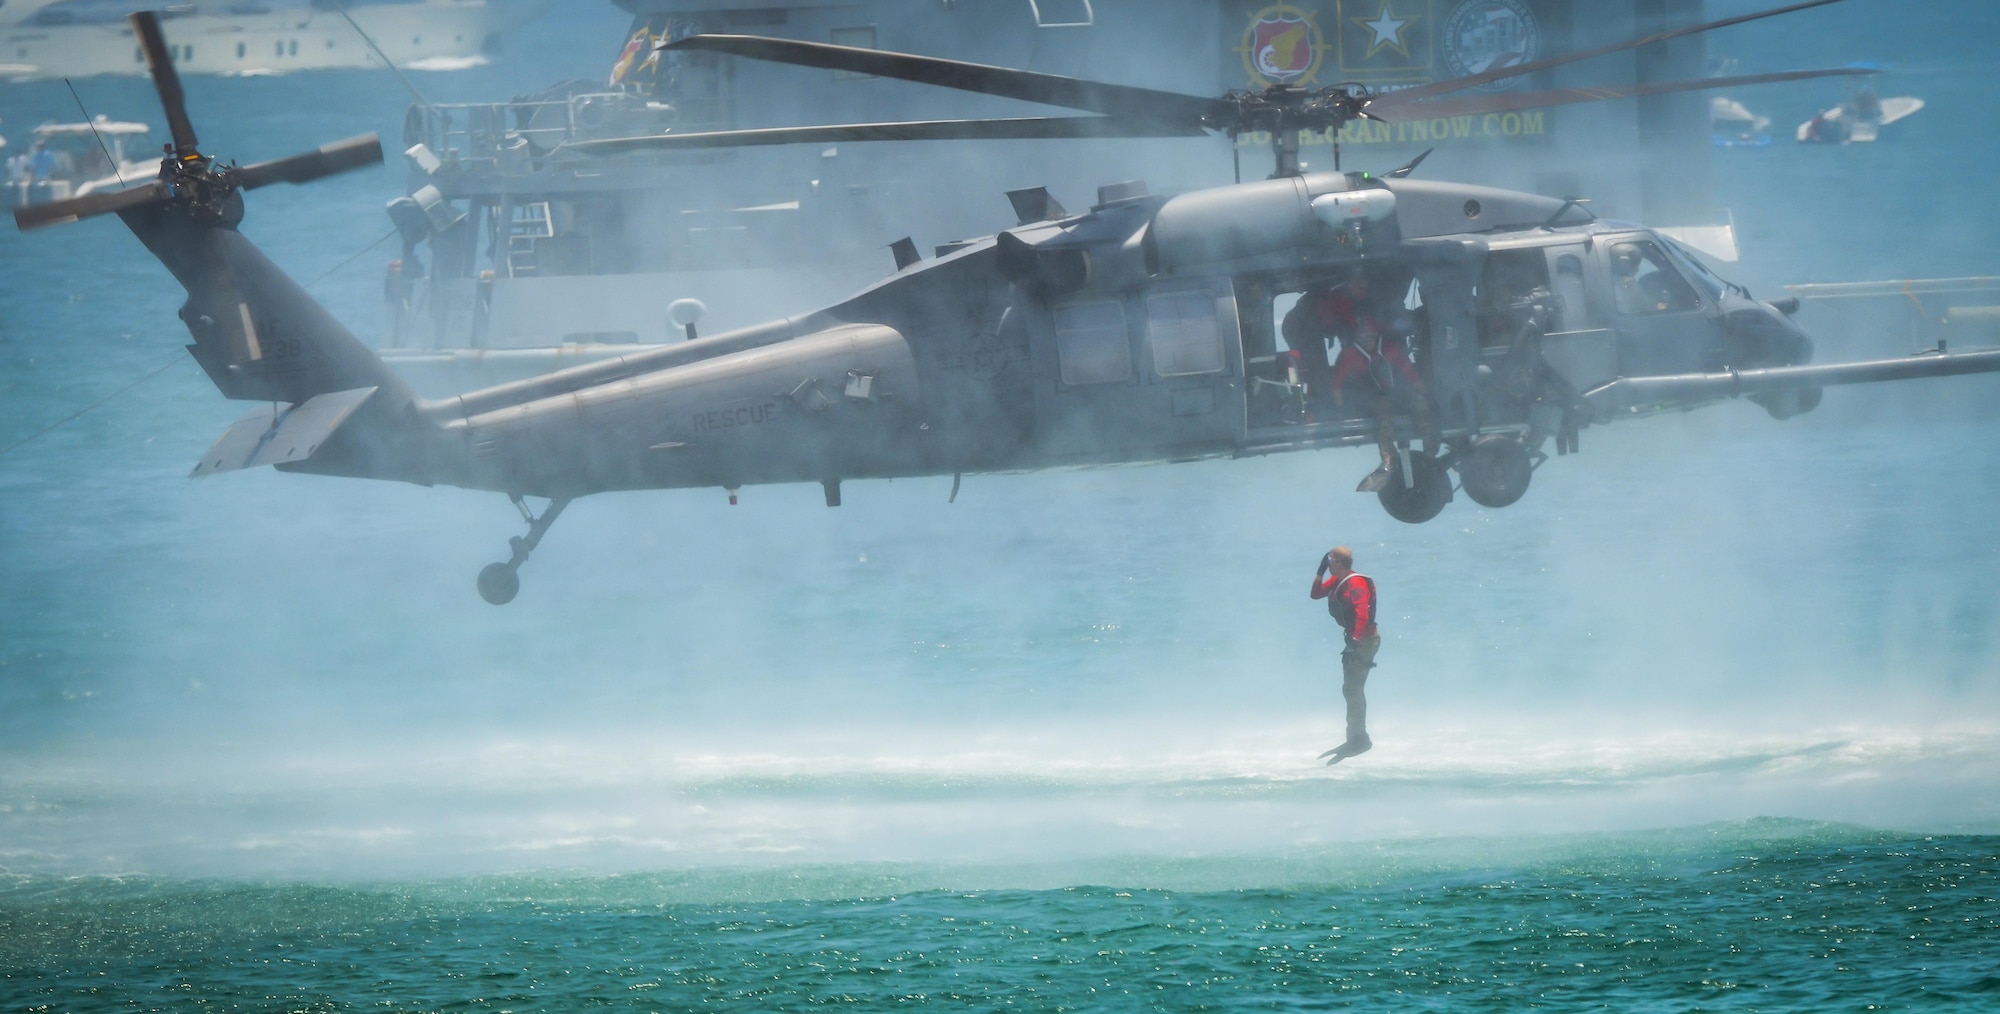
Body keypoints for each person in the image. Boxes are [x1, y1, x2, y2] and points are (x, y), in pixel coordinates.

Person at [1320, 274, 1437, 491]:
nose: (1367, 339)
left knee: (1420, 405)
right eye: (1363, 336)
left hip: (1396, 391)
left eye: (1370, 336)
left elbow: (1410, 374)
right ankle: (1388, 462)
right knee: (1384, 416)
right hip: (1371, 398)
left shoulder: (1390, 349)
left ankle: (1431, 454)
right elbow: (1337, 386)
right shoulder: (1349, 355)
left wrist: (1426, 395)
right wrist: (1341, 412)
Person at [1310, 545, 1379, 763]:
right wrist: (1320, 571)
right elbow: (1315, 594)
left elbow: (1362, 613)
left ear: (1338, 563)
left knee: (1353, 690)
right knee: (1350, 690)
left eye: (1330, 560)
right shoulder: (1338, 580)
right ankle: (1356, 737)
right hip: (1356, 640)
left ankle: (1359, 740)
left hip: (1364, 640)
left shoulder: (1355, 582)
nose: (1328, 562)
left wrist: (1357, 640)